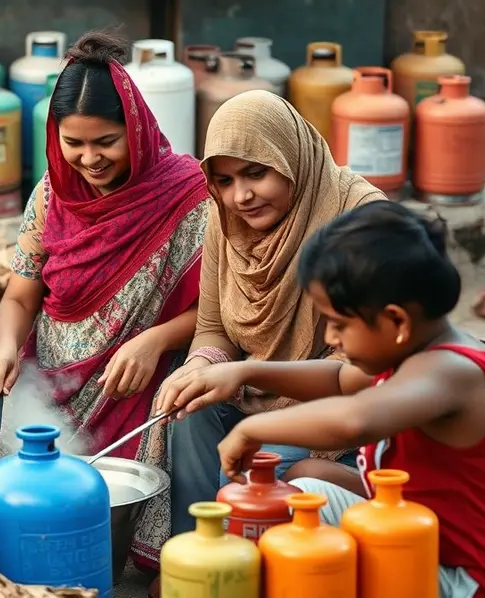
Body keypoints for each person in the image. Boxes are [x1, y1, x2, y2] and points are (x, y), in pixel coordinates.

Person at [0, 31, 209, 569]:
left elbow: (219, 309)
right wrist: (3, 350)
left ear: (138, 130)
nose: (88, 159)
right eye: (73, 143)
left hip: (140, 388)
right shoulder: (52, 193)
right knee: (15, 512)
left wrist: (156, 339)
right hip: (52, 384)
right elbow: (21, 296)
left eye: (105, 141)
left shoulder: (189, 195)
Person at [163, 201, 485, 597]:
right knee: (305, 480)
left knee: (300, 548)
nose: (331, 340)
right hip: (409, 532)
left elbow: (355, 420)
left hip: (456, 575)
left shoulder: (450, 371)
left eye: (338, 324)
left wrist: (252, 428)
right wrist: (243, 371)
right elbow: (337, 377)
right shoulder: (408, 351)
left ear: (397, 320)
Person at [155, 90, 386, 535]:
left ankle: (237, 553)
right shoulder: (225, 220)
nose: (240, 196)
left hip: (336, 405)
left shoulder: (360, 220)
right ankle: (196, 545)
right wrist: (204, 365)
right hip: (253, 391)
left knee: (248, 476)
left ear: (290, 156)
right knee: (188, 409)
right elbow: (212, 327)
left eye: (256, 173)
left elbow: (357, 370)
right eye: (223, 181)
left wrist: (245, 376)